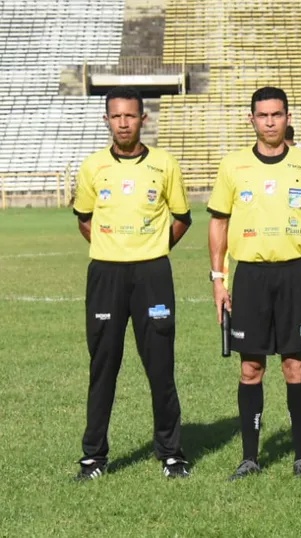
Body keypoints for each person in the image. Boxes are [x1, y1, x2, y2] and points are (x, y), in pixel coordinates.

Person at [207, 86, 301, 480]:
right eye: (262, 116)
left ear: (287, 116)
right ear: (252, 120)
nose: (270, 122)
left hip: (297, 275)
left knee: (296, 366)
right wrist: (218, 278)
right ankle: (250, 458)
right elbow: (219, 223)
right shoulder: (232, 166)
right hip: (249, 277)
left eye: (277, 114)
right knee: (250, 369)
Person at [71, 86, 192, 480]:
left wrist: (152, 248)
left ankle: (171, 453)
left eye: (130, 116)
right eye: (116, 116)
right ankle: (94, 457)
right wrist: (114, 249)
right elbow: (85, 218)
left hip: (153, 274)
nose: (124, 123)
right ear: (106, 120)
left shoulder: (165, 164)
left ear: (144, 119)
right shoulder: (92, 167)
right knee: (103, 364)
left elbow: (182, 218)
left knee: (160, 365)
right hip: (106, 274)